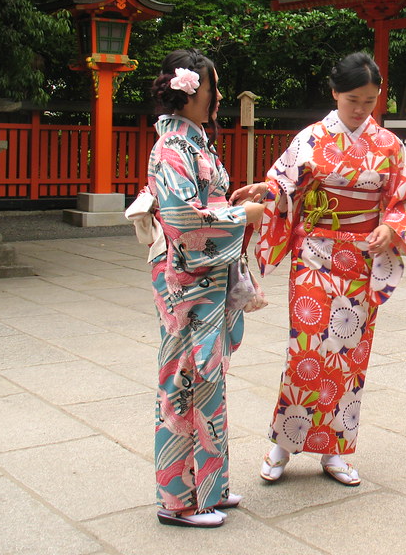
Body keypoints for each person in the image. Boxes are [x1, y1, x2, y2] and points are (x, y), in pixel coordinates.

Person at [230, 52, 406, 486]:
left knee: (350, 355)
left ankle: (336, 450)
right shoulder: (311, 138)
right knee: (307, 348)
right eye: (353, 99)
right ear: (334, 93)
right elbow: (285, 182)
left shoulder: (389, 146)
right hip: (314, 255)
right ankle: (283, 443)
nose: (360, 109)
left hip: (360, 259)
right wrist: (269, 187)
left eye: (370, 101)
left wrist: (391, 230)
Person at [145, 49, 266, 528]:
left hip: (203, 274)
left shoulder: (191, 142)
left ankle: (209, 485)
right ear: (191, 91)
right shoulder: (171, 148)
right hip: (185, 276)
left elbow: (204, 203)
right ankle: (177, 500)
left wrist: (237, 200)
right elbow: (181, 219)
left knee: (208, 376)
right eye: (213, 88)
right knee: (185, 379)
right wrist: (242, 216)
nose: (218, 97)